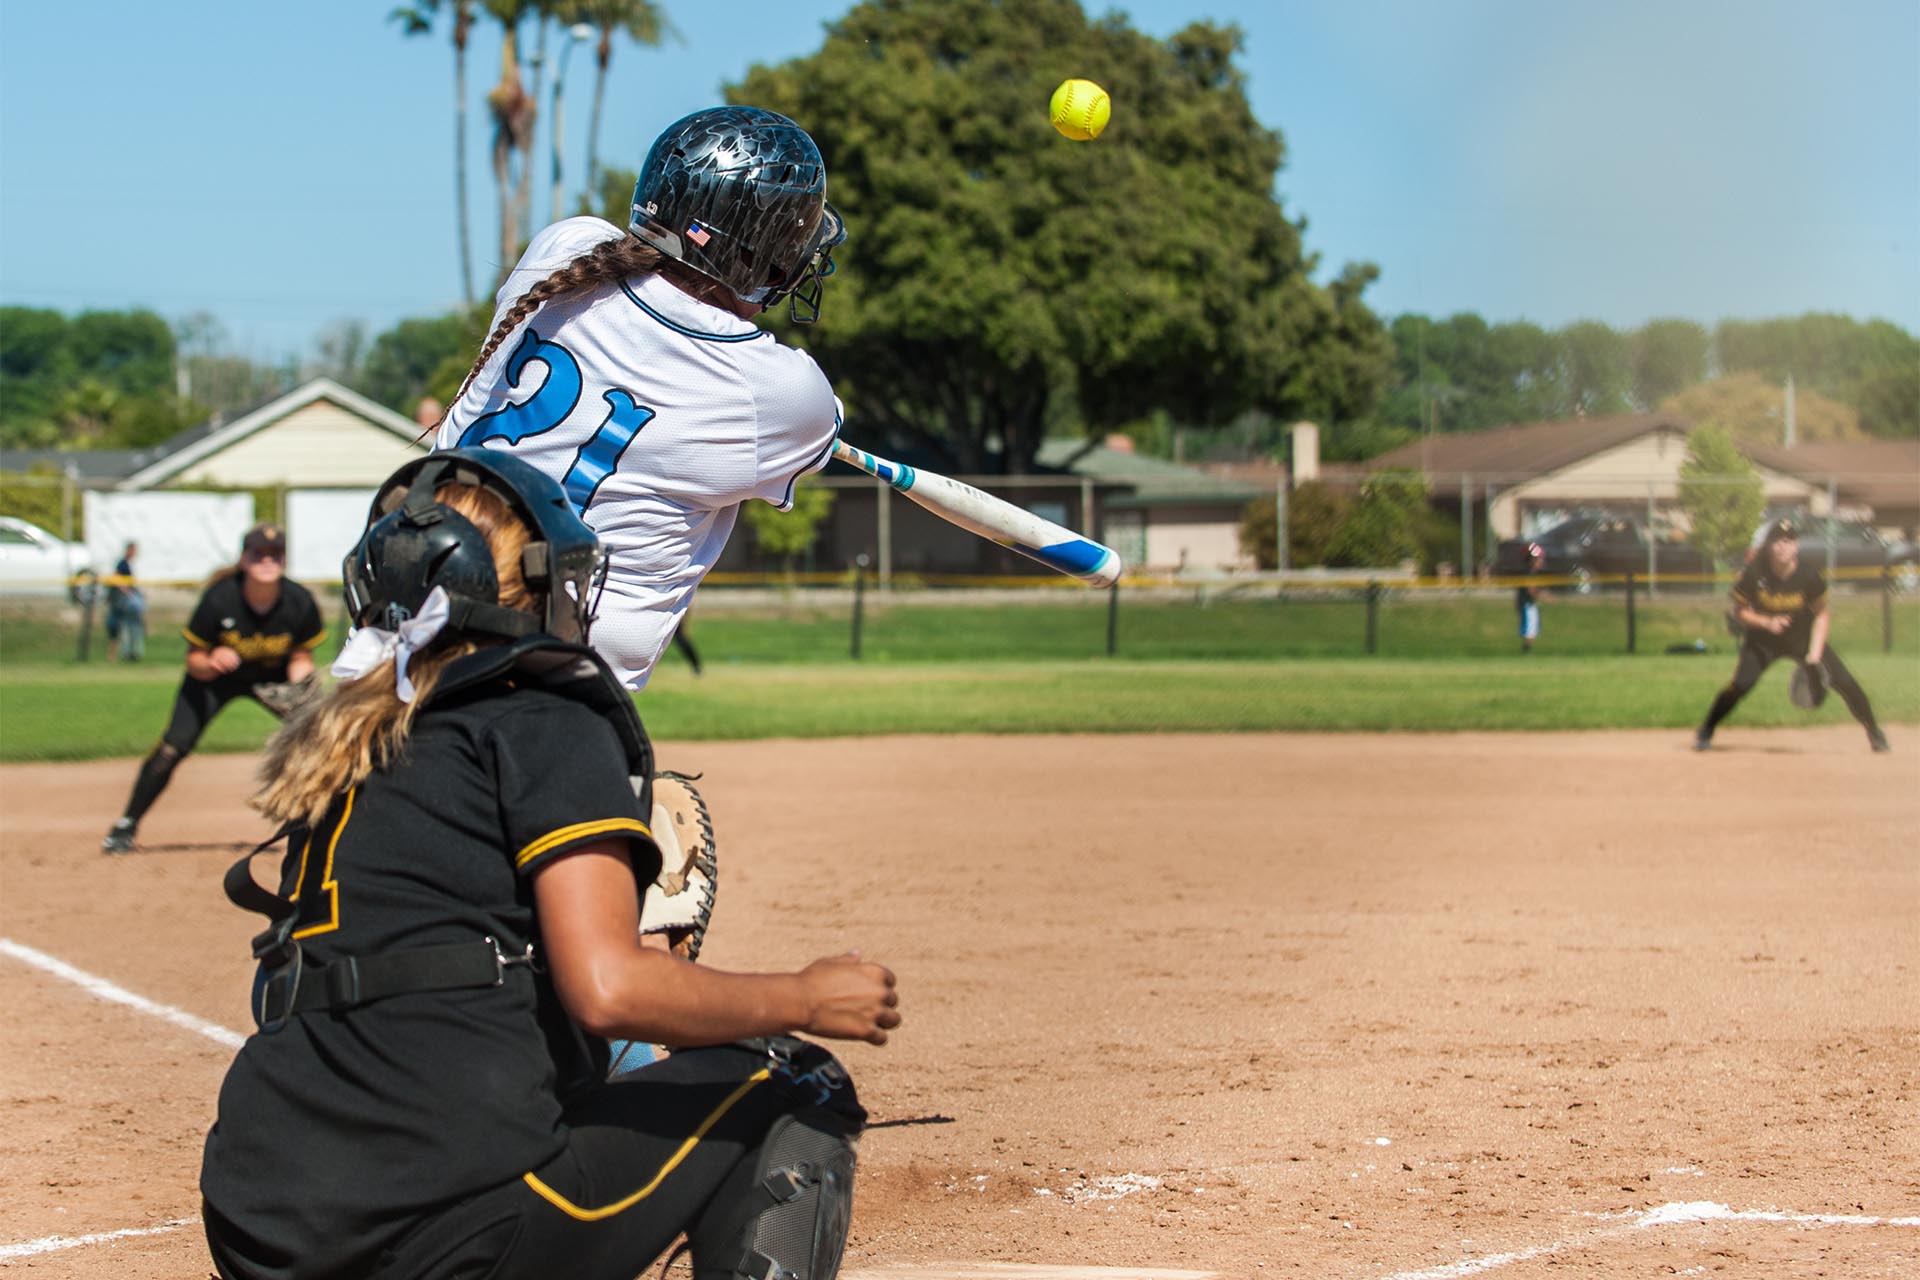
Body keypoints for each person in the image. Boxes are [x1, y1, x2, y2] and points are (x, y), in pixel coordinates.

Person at [199, 450, 899, 1280]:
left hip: (260, 1226)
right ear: (526, 586)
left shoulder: (344, 741)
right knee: (795, 1081)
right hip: (432, 1236)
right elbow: (608, 991)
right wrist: (805, 996)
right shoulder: (541, 715)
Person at [432, 103, 845, 693]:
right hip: (537, 698)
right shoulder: (778, 389)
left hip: (389, 640)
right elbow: (816, 426)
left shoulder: (566, 247)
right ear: (756, 254)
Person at [101, 523, 326, 854]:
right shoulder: (221, 599)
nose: (267, 561)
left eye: (275, 554)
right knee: (172, 749)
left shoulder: (299, 601)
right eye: (258, 554)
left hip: (273, 680)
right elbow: (194, 661)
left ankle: (323, 826)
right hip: (213, 681)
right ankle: (125, 826)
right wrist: (213, 660)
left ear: (284, 561)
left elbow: (300, 657)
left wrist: (302, 689)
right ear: (243, 560)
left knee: (322, 739)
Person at [1695, 517, 1890, 753]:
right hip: (1763, 639)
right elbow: (1740, 612)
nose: (1783, 546)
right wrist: (1767, 622)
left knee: (1846, 682)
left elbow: (1821, 615)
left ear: (1796, 546)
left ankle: (1874, 731)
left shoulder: (1808, 576)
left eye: (1789, 541)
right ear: (1769, 546)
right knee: (1740, 685)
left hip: (1803, 638)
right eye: (1777, 541)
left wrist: (1815, 655)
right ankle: (1707, 728)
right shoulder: (1755, 573)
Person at [103, 540, 145, 662]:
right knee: (118, 628)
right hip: (120, 602)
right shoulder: (122, 563)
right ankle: (123, 654)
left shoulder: (128, 564)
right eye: (133, 550)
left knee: (123, 628)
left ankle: (128, 653)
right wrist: (128, 592)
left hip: (123, 601)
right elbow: (116, 577)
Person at [1516, 542, 1545, 653]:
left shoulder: (1532, 573)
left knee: (1532, 628)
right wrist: (1543, 597)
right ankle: (1526, 650)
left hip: (1530, 604)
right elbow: (1531, 590)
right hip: (1527, 604)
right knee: (1529, 629)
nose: (1541, 562)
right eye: (1538, 559)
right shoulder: (1528, 573)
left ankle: (1527, 650)